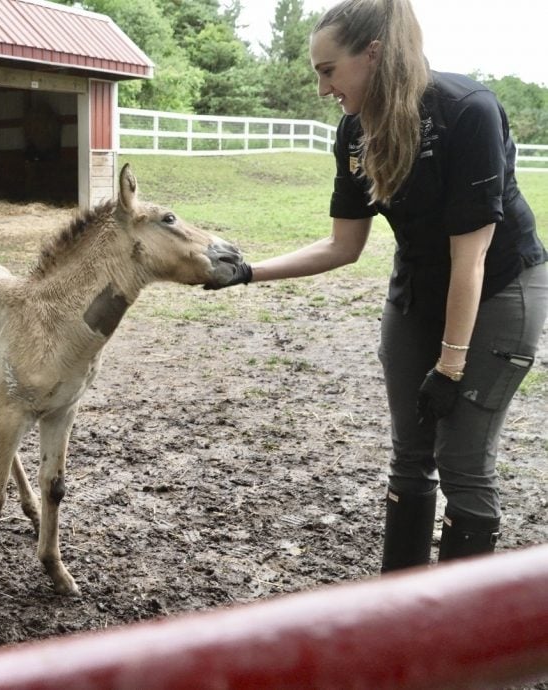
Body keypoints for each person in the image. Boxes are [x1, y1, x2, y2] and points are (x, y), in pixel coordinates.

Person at [212, 0, 548, 571]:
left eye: (328, 70)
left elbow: (470, 258)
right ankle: (401, 606)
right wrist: (247, 271)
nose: (323, 89)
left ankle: (457, 633)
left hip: (497, 288)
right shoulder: (354, 132)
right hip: (418, 286)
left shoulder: (468, 110)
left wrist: (450, 366)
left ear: (372, 55)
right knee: (410, 455)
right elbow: (344, 246)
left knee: (463, 459)